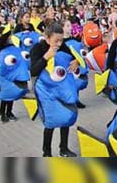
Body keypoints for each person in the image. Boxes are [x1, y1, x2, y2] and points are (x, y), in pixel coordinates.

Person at [30, 22, 79, 157]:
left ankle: (64, 148)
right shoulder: (37, 48)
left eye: (61, 40)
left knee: (66, 115)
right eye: (56, 40)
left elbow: (75, 57)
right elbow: (33, 71)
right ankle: (46, 152)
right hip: (45, 90)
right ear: (47, 38)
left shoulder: (63, 46)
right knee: (50, 121)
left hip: (61, 88)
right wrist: (46, 56)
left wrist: (76, 61)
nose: (59, 43)